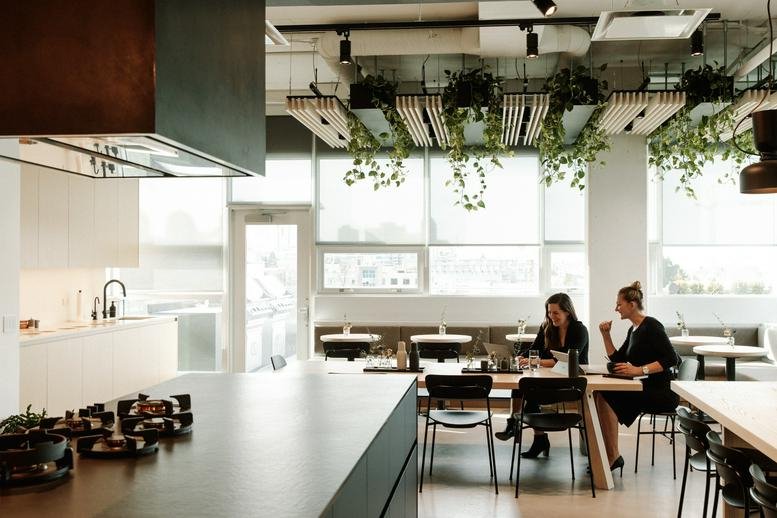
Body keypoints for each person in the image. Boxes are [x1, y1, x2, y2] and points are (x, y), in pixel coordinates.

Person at [595, 281, 680, 474]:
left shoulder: (651, 325)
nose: (616, 308)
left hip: (662, 392)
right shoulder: (633, 329)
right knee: (601, 394)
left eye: (619, 304)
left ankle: (612, 456)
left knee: (606, 396)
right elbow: (618, 358)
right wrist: (605, 335)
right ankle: (611, 454)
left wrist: (640, 370)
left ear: (632, 305)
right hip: (645, 388)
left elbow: (670, 358)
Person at [495, 293, 589, 460]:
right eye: (549, 312)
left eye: (556, 313)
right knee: (523, 386)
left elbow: (568, 359)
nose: (551, 316)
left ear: (567, 312)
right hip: (549, 379)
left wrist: (536, 361)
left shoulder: (579, 330)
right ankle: (516, 425)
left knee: (530, 394)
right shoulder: (547, 327)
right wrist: (520, 357)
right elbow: (535, 348)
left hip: (571, 383)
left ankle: (535, 438)